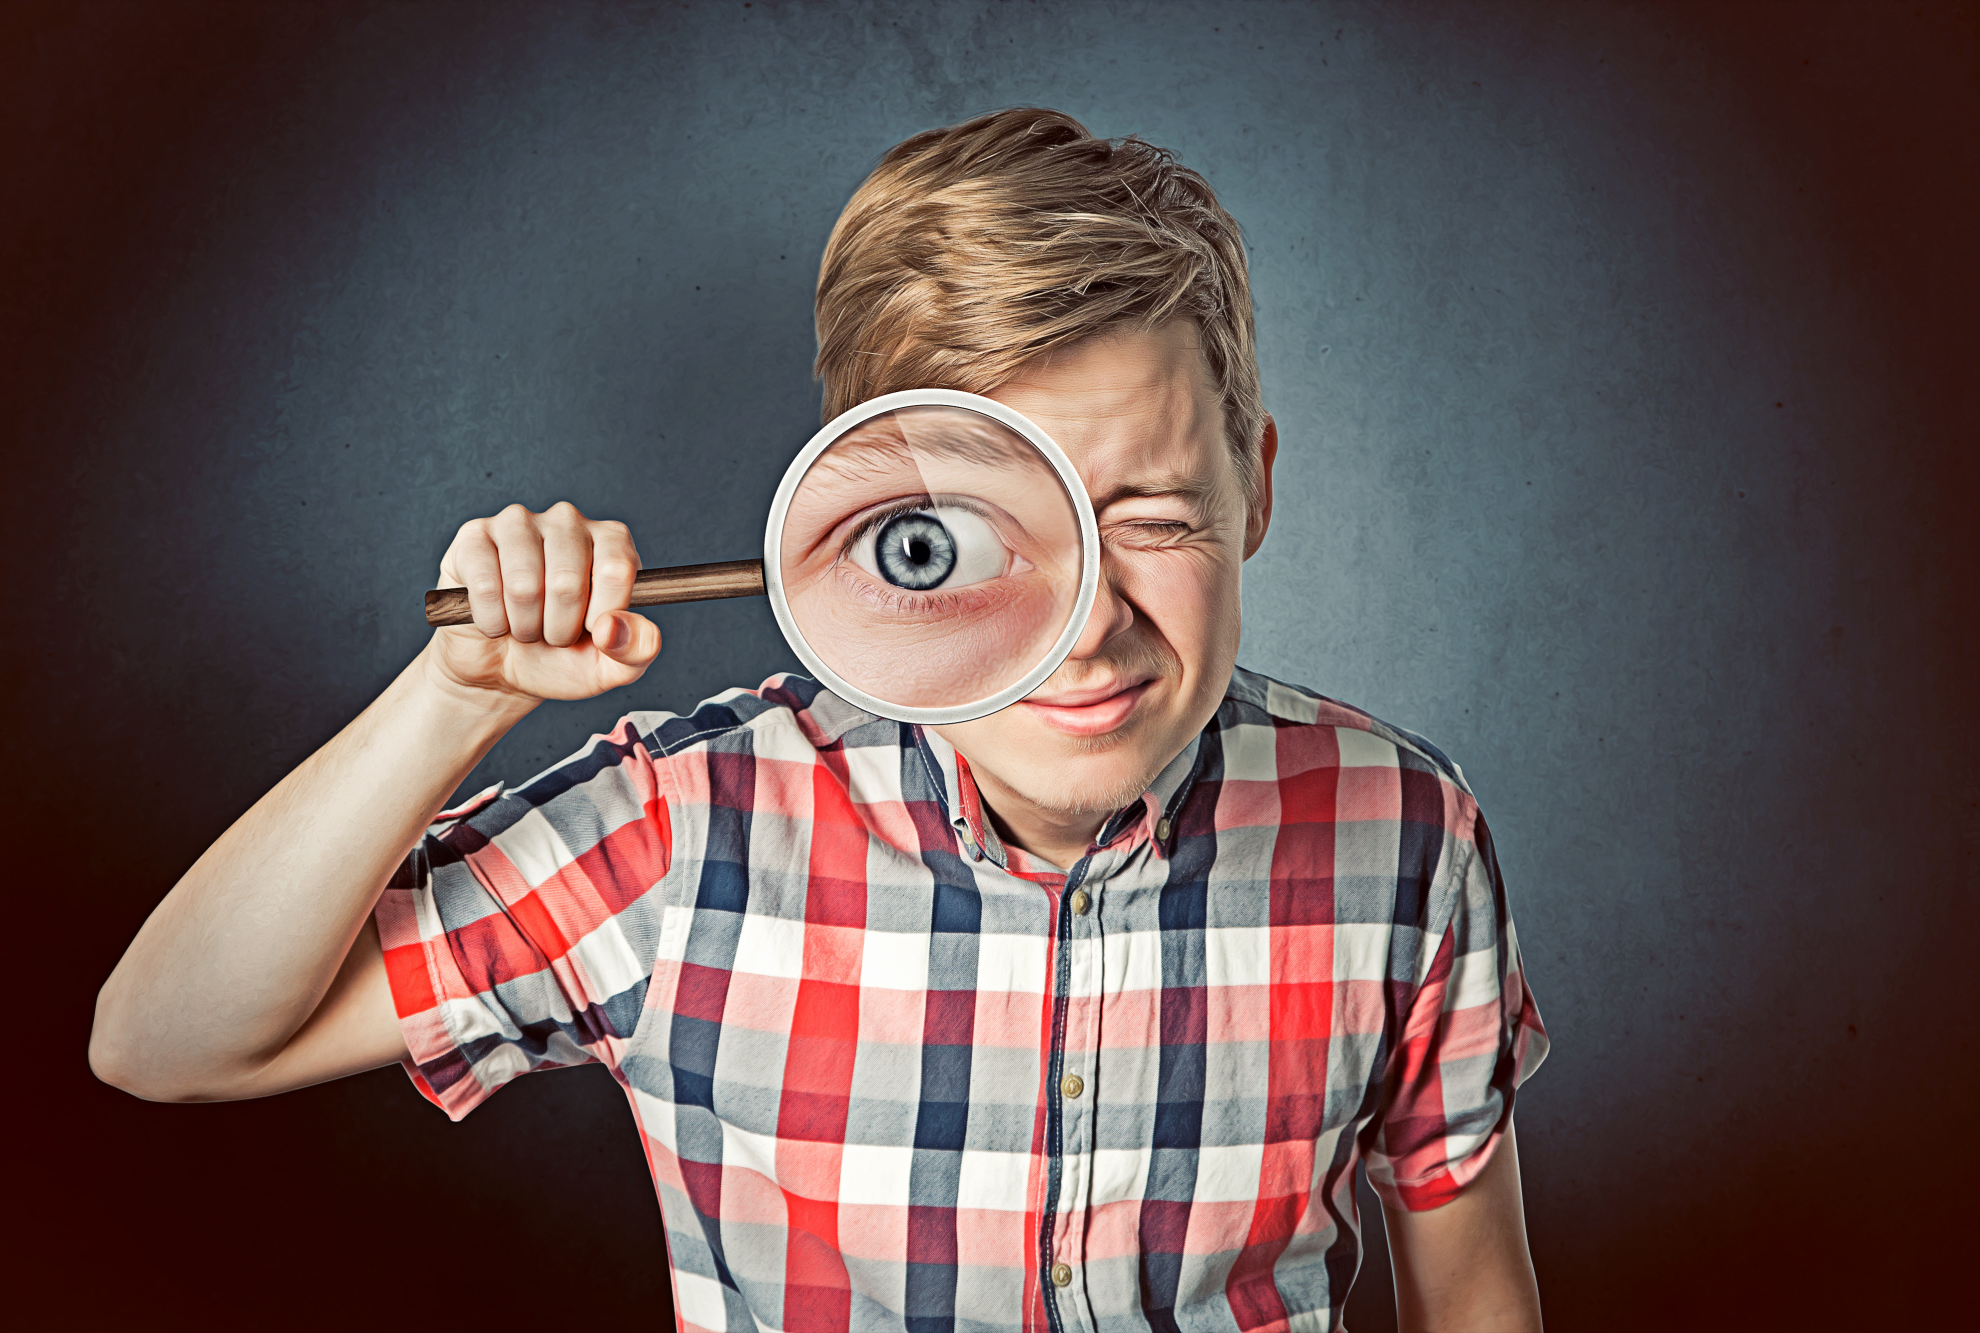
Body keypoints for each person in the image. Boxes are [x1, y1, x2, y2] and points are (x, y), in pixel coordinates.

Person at [91, 108, 1548, 1332]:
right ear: (876, 519)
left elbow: (1472, 1276)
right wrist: (452, 701)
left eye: (1152, 520)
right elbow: (163, 1040)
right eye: (978, 537)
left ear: (1261, 488)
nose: (1088, 622)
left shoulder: (1406, 833)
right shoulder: (686, 829)